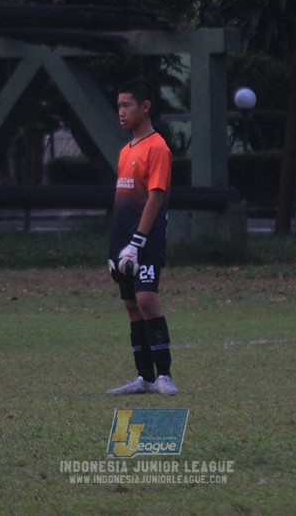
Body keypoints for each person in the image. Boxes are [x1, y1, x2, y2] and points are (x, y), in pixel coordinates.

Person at [106, 79, 178, 396]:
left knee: (147, 299)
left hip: (144, 240)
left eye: (127, 106)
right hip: (123, 243)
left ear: (145, 106)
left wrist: (136, 243)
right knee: (131, 305)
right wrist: (115, 248)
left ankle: (164, 375)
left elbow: (156, 196)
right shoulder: (125, 151)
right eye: (119, 106)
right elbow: (122, 202)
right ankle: (144, 378)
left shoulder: (158, 147)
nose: (120, 112)